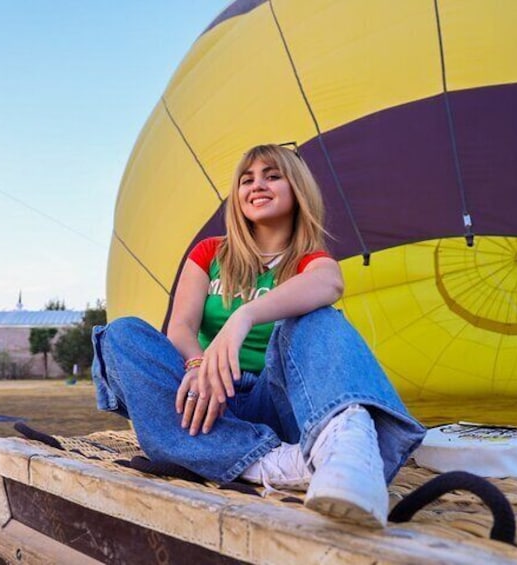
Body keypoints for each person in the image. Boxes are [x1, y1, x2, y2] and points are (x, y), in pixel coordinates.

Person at [91, 144, 425, 527]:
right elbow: (180, 327)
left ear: (296, 187)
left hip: (278, 400)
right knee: (121, 335)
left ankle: (349, 449)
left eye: (271, 175)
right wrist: (198, 364)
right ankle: (274, 463)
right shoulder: (210, 253)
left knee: (316, 317)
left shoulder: (308, 262)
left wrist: (244, 316)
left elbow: (330, 284)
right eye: (246, 180)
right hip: (208, 403)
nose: (257, 185)